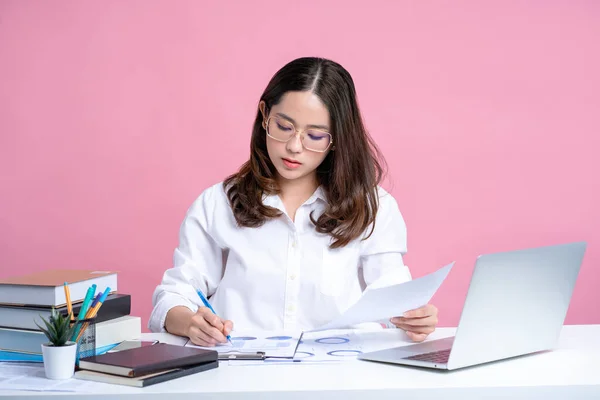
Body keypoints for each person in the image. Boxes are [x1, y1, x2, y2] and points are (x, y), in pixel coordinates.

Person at [149, 57, 438, 346]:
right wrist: (190, 323)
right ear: (264, 115)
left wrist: (415, 318)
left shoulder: (374, 207)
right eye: (284, 126)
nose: (294, 146)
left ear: (337, 138)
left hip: (340, 373)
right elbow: (175, 294)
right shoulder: (219, 203)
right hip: (241, 371)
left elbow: (394, 298)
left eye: (314, 135)